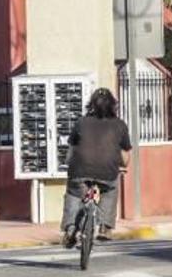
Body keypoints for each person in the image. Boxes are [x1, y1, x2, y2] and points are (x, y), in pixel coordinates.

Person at [61, 87, 132, 247]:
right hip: (107, 172)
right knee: (110, 190)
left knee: (74, 194)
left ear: (91, 104)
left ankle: (71, 228)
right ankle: (105, 227)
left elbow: (71, 149)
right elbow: (126, 157)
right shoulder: (120, 125)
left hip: (79, 170)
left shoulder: (81, 122)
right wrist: (120, 165)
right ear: (114, 105)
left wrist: (69, 163)